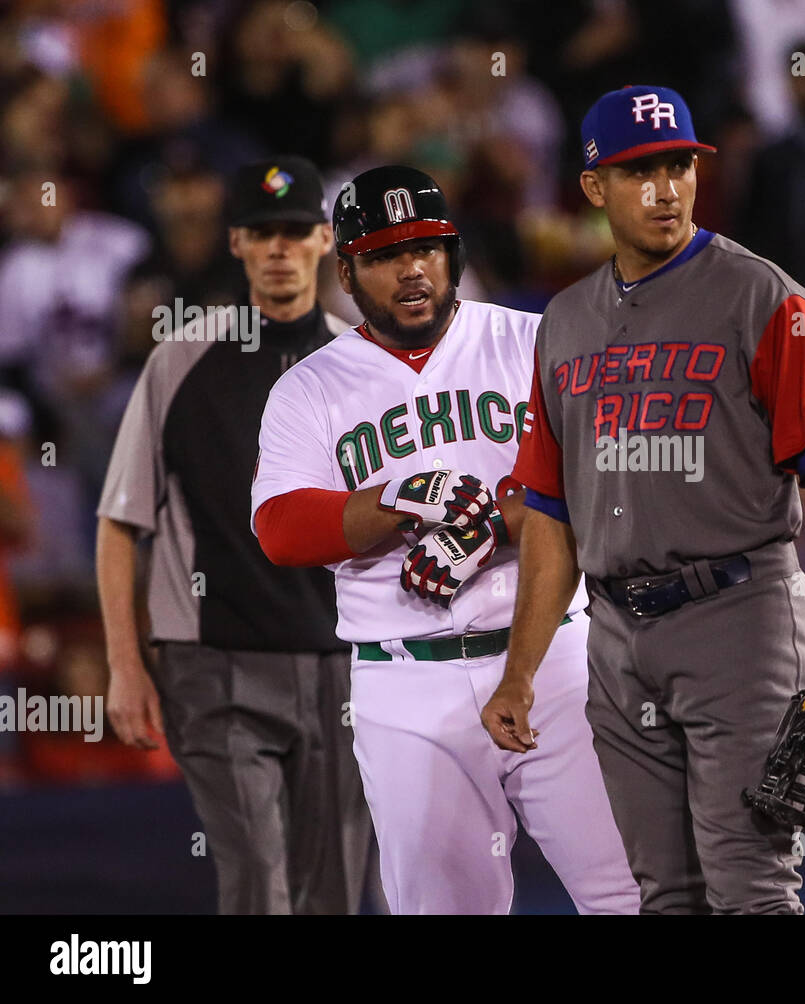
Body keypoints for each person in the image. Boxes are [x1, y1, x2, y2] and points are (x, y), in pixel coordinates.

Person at [481, 85, 805, 914]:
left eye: (679, 167)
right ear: (593, 188)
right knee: (661, 895)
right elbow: (550, 513)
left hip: (741, 617)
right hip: (618, 633)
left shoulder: (763, 296)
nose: (666, 189)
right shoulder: (566, 321)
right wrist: (518, 674)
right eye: (639, 172)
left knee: (751, 888)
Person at [250, 165, 639, 915]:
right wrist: (395, 498)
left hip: (556, 659)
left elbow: (609, 476)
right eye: (386, 255)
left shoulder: (535, 341)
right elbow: (281, 528)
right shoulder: (310, 386)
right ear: (347, 269)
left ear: (453, 252)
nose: (412, 270)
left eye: (427, 248)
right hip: (405, 682)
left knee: (633, 893)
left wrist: (490, 525)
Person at [96, 156, 371, 914]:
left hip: (342, 664)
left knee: (339, 891)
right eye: (262, 233)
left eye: (294, 232)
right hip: (212, 665)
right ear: (237, 244)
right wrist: (126, 664)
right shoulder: (181, 360)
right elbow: (122, 520)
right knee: (258, 881)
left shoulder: (367, 368)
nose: (279, 250)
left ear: (325, 241)